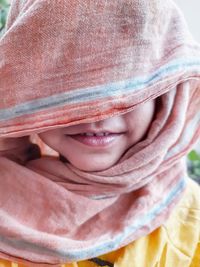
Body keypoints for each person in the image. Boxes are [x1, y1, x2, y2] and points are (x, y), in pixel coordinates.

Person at [0, 0, 200, 266]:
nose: (99, 114)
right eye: (68, 88)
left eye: (127, 85)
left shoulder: (193, 224)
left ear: (164, 97)